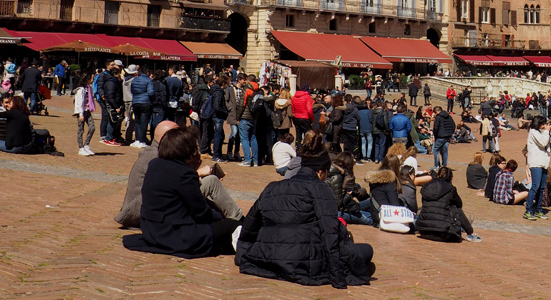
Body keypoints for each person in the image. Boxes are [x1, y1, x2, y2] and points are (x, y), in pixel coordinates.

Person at [235, 133, 374, 288]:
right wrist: (338, 277)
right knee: (366, 251)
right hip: (302, 261)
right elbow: (330, 233)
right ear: (321, 172)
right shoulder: (320, 188)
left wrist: (243, 255)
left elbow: (250, 225)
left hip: (266, 255)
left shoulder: (272, 187)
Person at [122, 127, 242, 258]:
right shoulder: (184, 173)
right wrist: (220, 219)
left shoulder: (155, 164)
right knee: (232, 225)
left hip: (151, 230)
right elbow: (201, 212)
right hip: (174, 234)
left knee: (220, 223)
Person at [416, 166, 482, 242]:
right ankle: (470, 232)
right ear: (450, 178)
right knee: (454, 207)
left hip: (424, 230)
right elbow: (459, 204)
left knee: (429, 206)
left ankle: (464, 228)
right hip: (442, 233)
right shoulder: (450, 189)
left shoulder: (426, 187)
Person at [524, 115, 551, 221]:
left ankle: (538, 209)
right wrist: (546, 132)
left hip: (544, 162)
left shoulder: (543, 133)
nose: (545, 126)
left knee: (541, 188)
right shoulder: (533, 132)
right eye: (543, 124)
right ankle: (528, 210)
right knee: (535, 187)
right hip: (536, 162)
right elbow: (542, 143)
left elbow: (549, 145)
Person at [73, 74, 96, 156]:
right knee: (81, 129)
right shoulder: (81, 90)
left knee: (92, 127)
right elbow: (79, 102)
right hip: (81, 111)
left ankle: (86, 144)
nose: (93, 80)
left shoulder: (89, 88)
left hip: (87, 111)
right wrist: (80, 114)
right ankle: (81, 147)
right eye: (92, 78)